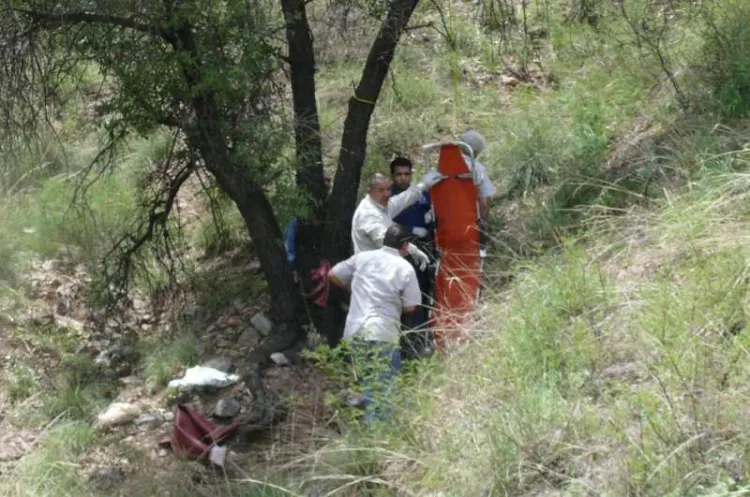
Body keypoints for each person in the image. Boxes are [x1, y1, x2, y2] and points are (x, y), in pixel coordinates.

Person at [328, 224, 422, 423]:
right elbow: (411, 308)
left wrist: (353, 290)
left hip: (355, 334)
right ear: (404, 245)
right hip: (382, 334)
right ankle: (378, 440)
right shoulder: (405, 268)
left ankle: (365, 437)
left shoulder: (363, 258)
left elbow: (333, 274)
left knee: (369, 387)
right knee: (383, 394)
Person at [389, 156, 436, 356]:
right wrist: (410, 230)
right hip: (402, 249)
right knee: (407, 296)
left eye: (407, 174)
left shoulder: (421, 193)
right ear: (393, 176)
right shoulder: (389, 197)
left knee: (424, 293)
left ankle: (422, 338)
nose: (403, 178)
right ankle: (408, 342)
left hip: (424, 248)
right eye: (399, 174)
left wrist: (431, 218)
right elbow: (386, 225)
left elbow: (430, 209)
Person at [351, 170, 443, 269]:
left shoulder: (381, 204)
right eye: (381, 190)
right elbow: (385, 240)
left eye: (388, 189)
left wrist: (423, 185)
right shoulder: (368, 214)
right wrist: (414, 250)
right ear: (369, 191)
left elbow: (402, 199)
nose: (386, 194)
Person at [459, 129, 496, 221]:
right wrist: (484, 220)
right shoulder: (477, 168)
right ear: (476, 152)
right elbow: (488, 195)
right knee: (484, 195)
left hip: (443, 211)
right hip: (468, 213)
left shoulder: (444, 164)